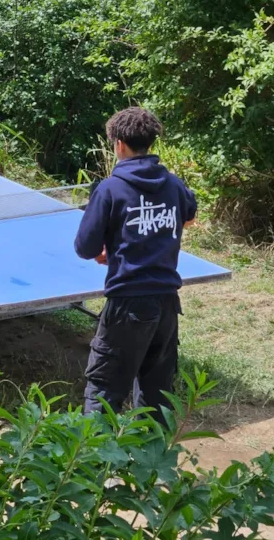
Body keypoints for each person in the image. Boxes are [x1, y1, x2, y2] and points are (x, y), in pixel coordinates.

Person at [74, 106, 196, 420]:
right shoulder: (174, 184)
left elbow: (85, 247)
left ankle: (92, 467)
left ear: (119, 145)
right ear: (150, 143)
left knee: (103, 393)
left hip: (127, 303)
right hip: (167, 305)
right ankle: (150, 466)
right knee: (157, 398)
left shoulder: (110, 189)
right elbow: (190, 218)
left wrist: (110, 248)